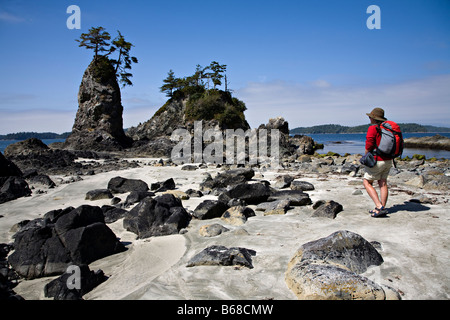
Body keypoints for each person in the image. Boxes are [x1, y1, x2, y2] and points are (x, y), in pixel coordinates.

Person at [363, 107, 393, 218]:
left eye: (370, 116)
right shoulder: (388, 129)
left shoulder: (373, 128)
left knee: (367, 182)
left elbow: (369, 144)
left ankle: (379, 206)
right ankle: (382, 207)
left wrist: (365, 156)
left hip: (377, 160)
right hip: (389, 160)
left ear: (374, 118)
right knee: (383, 182)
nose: (369, 118)